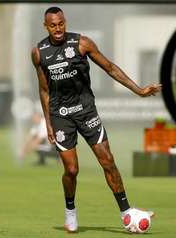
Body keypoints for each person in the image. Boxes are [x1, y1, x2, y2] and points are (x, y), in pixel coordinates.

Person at [31, 7, 161, 233]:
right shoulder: (38, 53)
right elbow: (44, 90)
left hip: (86, 112)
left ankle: (126, 212)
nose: (58, 28)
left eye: (61, 23)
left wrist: (139, 90)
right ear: (46, 26)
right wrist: (48, 124)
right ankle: (70, 211)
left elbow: (110, 68)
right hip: (61, 116)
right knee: (71, 170)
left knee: (107, 161)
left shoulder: (82, 43)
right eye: (53, 25)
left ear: (65, 22)